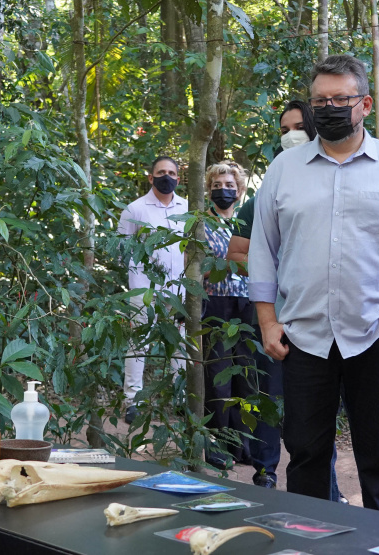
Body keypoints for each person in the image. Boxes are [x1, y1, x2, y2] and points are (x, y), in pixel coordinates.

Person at [248, 54, 379, 515]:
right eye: (318, 101)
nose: (327, 108)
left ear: (365, 103)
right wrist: (267, 321)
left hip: (374, 331)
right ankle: (309, 543)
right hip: (302, 337)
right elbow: (262, 249)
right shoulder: (284, 170)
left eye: (339, 99)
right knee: (306, 455)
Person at [227, 101, 346, 500]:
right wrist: (276, 276)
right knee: (272, 399)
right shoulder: (267, 190)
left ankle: (329, 492)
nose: (290, 134)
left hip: (335, 321)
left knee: (322, 414)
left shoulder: (340, 180)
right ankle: (266, 473)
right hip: (277, 317)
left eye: (298, 126)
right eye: (283, 129)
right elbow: (239, 251)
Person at [117, 156, 188, 424]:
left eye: (171, 172)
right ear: (150, 177)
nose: (166, 176)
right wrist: (140, 281)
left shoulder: (187, 208)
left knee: (179, 343)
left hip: (179, 289)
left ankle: (179, 399)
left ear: (178, 179)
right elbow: (123, 249)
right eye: (160, 172)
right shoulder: (135, 209)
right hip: (144, 288)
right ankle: (132, 401)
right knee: (138, 343)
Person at [201, 161, 253, 469]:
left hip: (248, 301)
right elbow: (200, 268)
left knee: (245, 375)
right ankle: (216, 444)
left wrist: (228, 263)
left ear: (240, 190)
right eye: (217, 186)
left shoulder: (246, 222)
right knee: (217, 377)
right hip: (215, 303)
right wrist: (234, 263)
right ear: (208, 189)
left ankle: (241, 444)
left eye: (230, 186)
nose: (224, 191)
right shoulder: (201, 223)